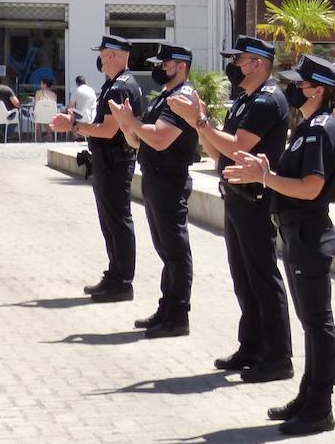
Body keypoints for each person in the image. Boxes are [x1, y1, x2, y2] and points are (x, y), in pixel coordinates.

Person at [225, 54, 335, 435]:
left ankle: (320, 406)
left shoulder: (320, 129)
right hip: (298, 233)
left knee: (318, 324)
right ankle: (307, 396)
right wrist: (265, 173)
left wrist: (264, 178)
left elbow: (311, 188)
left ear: (318, 90)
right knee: (311, 323)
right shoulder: (309, 126)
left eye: (300, 83)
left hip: (310, 234)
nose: (292, 88)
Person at [169, 35, 293, 382]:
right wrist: (199, 123)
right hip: (237, 196)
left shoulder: (268, 100)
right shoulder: (244, 101)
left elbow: (239, 147)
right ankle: (251, 347)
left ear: (257, 63)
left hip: (256, 199)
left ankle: (278, 357)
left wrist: (201, 121)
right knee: (243, 278)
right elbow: (218, 151)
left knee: (262, 277)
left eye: (238, 60)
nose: (233, 66)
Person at [108, 44, 198, 339]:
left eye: (164, 64)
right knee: (165, 250)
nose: (159, 68)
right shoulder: (165, 97)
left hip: (170, 180)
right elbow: (140, 141)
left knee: (176, 250)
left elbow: (159, 139)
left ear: (181, 66)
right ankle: (167, 308)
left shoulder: (183, 98)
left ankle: (178, 315)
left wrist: (132, 123)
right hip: (154, 178)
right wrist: (126, 126)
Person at [50, 36, 142, 302]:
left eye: (102, 54)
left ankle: (122, 282)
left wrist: (74, 126)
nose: (100, 59)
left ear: (111, 55)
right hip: (108, 161)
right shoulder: (115, 85)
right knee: (110, 222)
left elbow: (109, 130)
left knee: (117, 222)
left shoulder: (119, 88)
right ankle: (114, 275)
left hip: (115, 162)